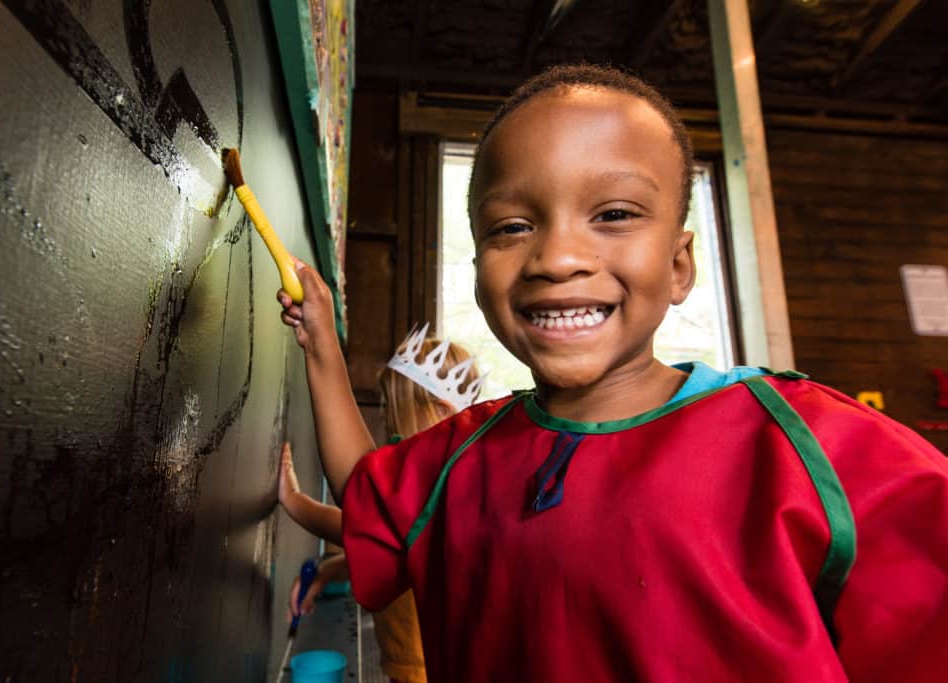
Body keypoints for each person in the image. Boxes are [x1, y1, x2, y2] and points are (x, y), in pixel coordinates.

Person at [280, 64, 948, 682]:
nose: (559, 256)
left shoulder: (815, 450)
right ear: (478, 269)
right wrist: (321, 347)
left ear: (680, 264)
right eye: (511, 226)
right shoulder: (462, 454)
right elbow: (366, 496)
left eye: (614, 214)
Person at [276, 318, 480, 683]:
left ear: (442, 412)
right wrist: (332, 569)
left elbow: (363, 523)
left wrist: (294, 501)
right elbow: (400, 551)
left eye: (393, 409)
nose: (385, 420)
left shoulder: (445, 481)